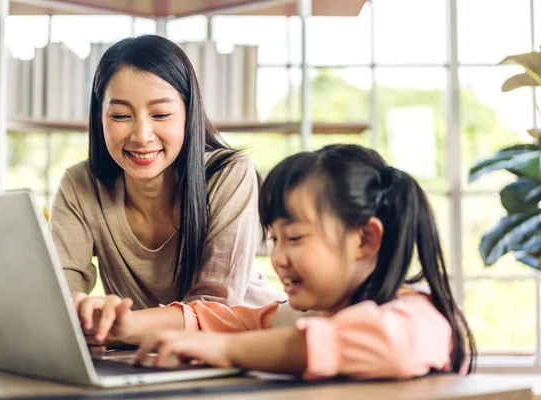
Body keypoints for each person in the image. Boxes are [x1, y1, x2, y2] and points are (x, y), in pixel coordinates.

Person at [118, 144, 476, 380]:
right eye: (274, 239)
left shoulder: (423, 316)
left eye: (295, 238)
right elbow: (230, 320)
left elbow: (390, 345)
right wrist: (126, 325)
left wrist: (227, 351)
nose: (277, 258)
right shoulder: (310, 313)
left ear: (365, 239)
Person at [49, 34, 282, 348]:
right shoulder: (80, 185)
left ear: (188, 113)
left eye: (160, 115)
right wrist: (81, 317)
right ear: (99, 116)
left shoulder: (228, 173)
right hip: (146, 354)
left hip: (246, 352)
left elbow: (214, 309)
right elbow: (57, 296)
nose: (142, 136)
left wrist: (121, 325)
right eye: (120, 115)